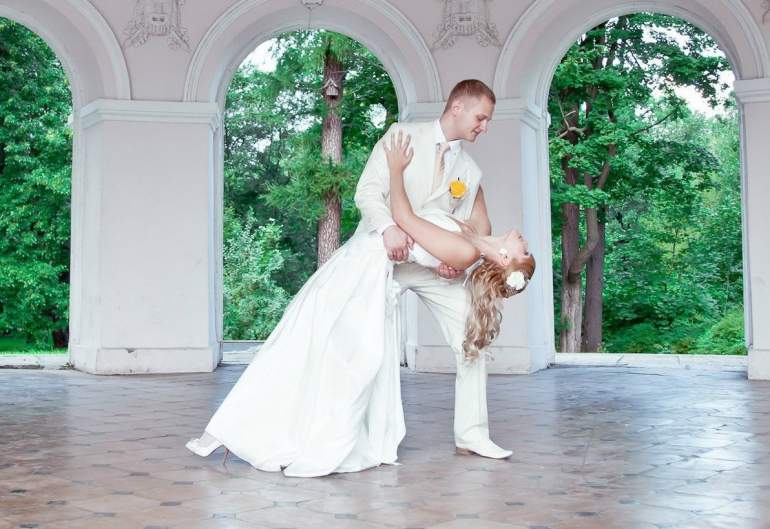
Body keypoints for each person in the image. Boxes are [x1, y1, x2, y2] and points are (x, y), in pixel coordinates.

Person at [185, 80, 532, 477]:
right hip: (380, 253)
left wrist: (454, 263)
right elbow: (367, 192)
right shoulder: (402, 136)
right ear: (457, 107)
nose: (484, 126)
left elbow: (471, 229)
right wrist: (388, 229)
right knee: (346, 345)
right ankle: (314, 428)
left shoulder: (469, 172)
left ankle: (472, 434)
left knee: (474, 333)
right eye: (481, 118)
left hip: (429, 265)